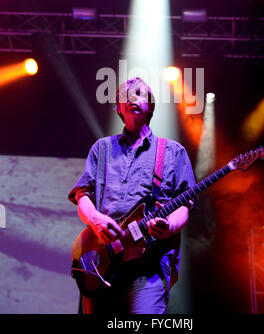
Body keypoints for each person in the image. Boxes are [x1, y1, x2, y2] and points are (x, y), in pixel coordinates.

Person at [68, 77, 197, 314]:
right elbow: (82, 195)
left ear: (151, 106)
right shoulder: (102, 148)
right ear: (118, 107)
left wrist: (169, 227)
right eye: (125, 95)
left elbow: (185, 203)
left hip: (148, 265)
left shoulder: (172, 151)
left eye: (139, 93)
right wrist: (96, 220)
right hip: (101, 262)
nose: (132, 98)